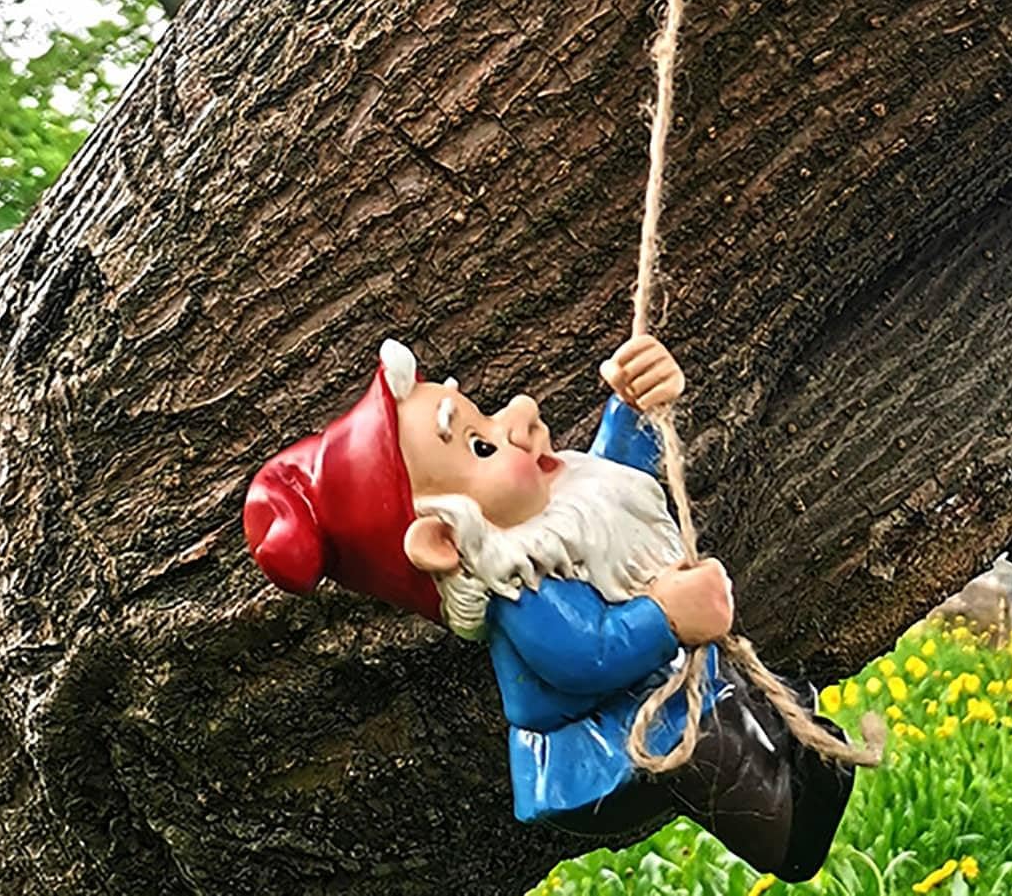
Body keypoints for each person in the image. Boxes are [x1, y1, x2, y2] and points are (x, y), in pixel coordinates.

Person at [245, 333, 855, 879]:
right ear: (446, 539)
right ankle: (786, 836)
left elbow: (610, 482)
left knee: (721, 717)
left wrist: (635, 406)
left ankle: (793, 763)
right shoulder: (522, 593)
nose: (520, 417)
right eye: (482, 447)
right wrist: (667, 618)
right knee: (704, 745)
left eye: (482, 419)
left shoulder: (551, 522)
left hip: (646, 702)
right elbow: (585, 656)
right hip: (600, 753)